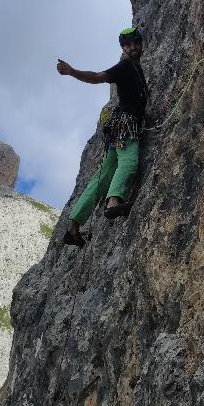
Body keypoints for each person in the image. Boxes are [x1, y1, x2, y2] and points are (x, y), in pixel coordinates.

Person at [57, 27, 148, 247]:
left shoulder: (136, 69)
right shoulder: (124, 67)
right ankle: (113, 203)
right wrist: (72, 72)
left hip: (118, 127)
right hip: (126, 125)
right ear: (123, 49)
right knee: (129, 162)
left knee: (103, 175)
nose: (133, 48)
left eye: (135, 43)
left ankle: (74, 226)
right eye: (128, 45)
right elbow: (97, 77)